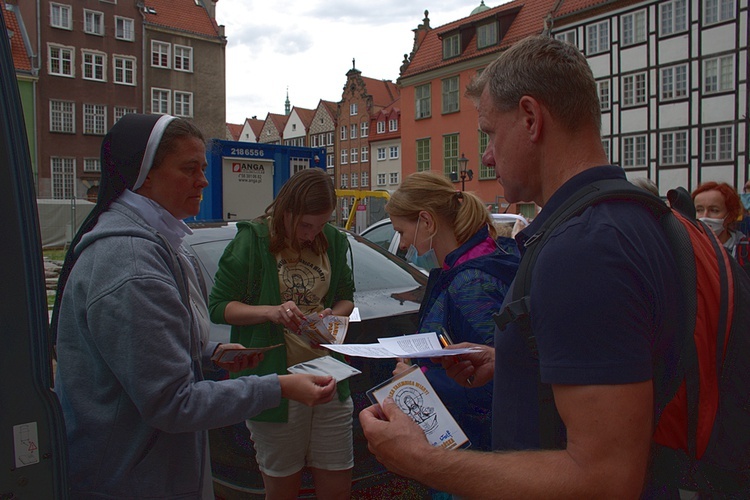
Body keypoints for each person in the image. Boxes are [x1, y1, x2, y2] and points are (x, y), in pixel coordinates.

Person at [359, 35, 682, 498]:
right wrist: (508, 359)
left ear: (531, 118)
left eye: (489, 132)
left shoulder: (584, 250)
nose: (487, 155)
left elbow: (605, 478)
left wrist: (425, 460)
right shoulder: (624, 218)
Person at [51, 114, 336, 499]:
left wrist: (209, 353)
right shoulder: (133, 265)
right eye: (189, 169)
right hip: (129, 480)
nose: (203, 180)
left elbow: (141, 353)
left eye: (203, 168)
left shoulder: (158, 244)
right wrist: (279, 387)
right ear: (144, 175)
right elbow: (173, 403)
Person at [208, 167, 355, 500]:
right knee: (283, 486)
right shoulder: (254, 239)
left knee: (337, 482)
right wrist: (271, 312)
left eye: (320, 225)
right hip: (275, 382)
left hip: (328, 376)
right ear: (285, 211)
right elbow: (219, 306)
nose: (311, 234)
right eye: (305, 225)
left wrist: (332, 316)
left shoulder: (332, 239)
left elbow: (346, 296)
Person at [387, 171, 518, 452]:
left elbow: (500, 380)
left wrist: (417, 381)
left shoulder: (470, 283)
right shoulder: (473, 265)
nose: (403, 245)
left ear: (426, 221)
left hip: (474, 447)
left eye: (401, 232)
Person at [692, 181, 747, 258]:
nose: (705, 216)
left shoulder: (745, 249)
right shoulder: (686, 247)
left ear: (730, 215)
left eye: (714, 210)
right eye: (699, 210)